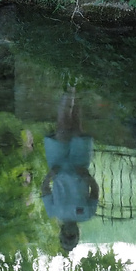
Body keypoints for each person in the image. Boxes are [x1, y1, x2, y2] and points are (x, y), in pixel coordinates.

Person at [40, 86, 100, 253]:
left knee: (62, 128)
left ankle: (69, 90)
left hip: (58, 164)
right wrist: (87, 177)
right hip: (80, 165)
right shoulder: (87, 214)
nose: (70, 234)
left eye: (66, 236)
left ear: (61, 234)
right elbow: (95, 192)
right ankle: (79, 91)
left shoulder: (53, 212)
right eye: (72, 237)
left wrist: (51, 175)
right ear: (77, 235)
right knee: (77, 128)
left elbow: (45, 190)